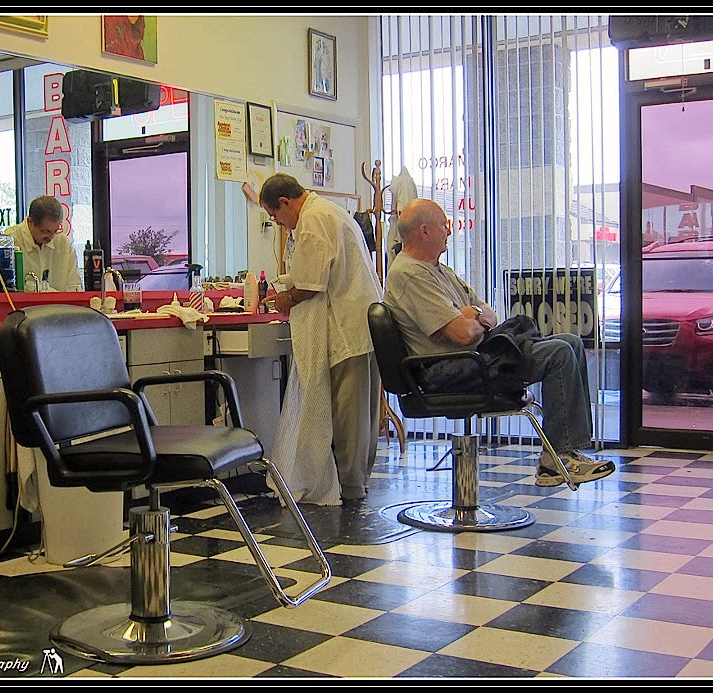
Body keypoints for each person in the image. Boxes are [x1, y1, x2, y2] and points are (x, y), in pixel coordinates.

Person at [384, 198, 615, 488]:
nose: (450, 231)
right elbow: (461, 335)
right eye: (444, 225)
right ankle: (557, 459)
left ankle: (566, 452)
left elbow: (489, 314)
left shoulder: (440, 270)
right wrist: (467, 319)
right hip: (448, 370)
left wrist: (472, 315)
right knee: (559, 353)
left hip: (475, 358)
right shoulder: (409, 274)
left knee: (570, 341)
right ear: (425, 231)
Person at [259, 173, 383, 505]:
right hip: (363, 324)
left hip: (347, 327)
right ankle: (358, 483)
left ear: (285, 202)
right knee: (362, 413)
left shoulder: (312, 220)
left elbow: (311, 284)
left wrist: (286, 298)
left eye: (275, 216)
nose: (279, 223)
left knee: (349, 416)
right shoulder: (330, 211)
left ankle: (350, 488)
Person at [5, 196, 80, 292]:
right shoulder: (10, 241)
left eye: (55, 231)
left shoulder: (62, 242)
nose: (51, 237)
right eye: (46, 231)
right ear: (30, 222)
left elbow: (74, 285)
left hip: (60, 306)